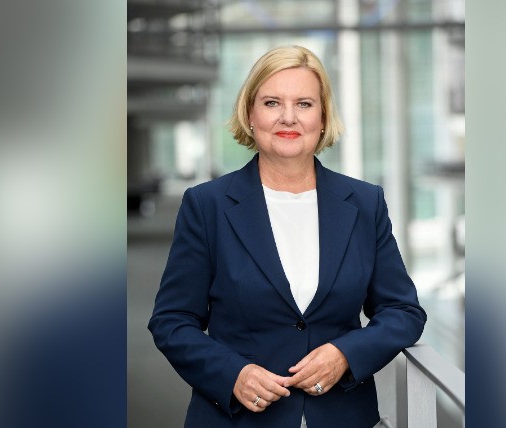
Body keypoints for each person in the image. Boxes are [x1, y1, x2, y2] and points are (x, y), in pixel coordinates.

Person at [148, 45, 426, 428]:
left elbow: (403, 311)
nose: (288, 117)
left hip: (343, 417)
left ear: (324, 116)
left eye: (305, 104)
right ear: (250, 113)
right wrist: (233, 376)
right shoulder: (206, 205)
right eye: (272, 102)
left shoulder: (364, 203)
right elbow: (172, 320)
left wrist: (345, 354)